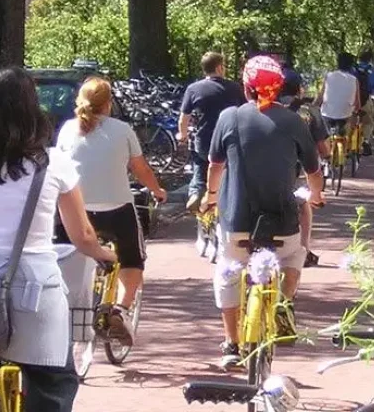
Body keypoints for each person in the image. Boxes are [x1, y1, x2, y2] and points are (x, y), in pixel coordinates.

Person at [0, 68, 117, 412]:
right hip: (34, 288)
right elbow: (81, 236)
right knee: (55, 380)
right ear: (31, 110)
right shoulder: (54, 163)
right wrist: (105, 255)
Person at [201, 55, 324, 368]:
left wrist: (211, 196)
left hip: (236, 221)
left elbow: (216, 166)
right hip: (281, 222)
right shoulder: (294, 121)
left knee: (228, 269)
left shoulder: (228, 118)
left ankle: (231, 343)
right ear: (279, 87)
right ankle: (284, 303)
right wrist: (317, 195)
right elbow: (313, 170)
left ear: (246, 87)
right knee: (294, 256)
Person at [56, 77, 167, 346]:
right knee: (132, 260)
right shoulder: (122, 130)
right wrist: (157, 190)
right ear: (108, 104)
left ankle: (63, 309)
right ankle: (121, 309)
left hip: (76, 211)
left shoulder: (67, 131)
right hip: (117, 210)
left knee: (64, 257)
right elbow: (141, 170)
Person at [178, 52, 246, 214]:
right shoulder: (234, 88)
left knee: (200, 166)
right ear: (219, 67)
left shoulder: (194, 89)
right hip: (229, 142)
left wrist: (182, 135)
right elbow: (245, 112)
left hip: (204, 141)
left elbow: (183, 118)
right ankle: (230, 201)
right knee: (230, 172)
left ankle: (196, 192)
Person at [279, 73, 330, 268]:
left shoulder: (262, 109)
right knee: (304, 204)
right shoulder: (309, 112)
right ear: (299, 89)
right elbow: (324, 150)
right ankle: (303, 250)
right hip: (295, 172)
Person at [318, 52, 361, 137]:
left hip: (326, 115)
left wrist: (311, 107)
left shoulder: (329, 76)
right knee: (345, 135)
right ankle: (347, 148)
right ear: (351, 65)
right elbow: (357, 104)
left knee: (323, 138)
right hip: (345, 116)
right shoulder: (354, 80)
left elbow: (320, 98)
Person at [355, 50, 374, 156]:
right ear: (370, 60)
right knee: (369, 122)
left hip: (352, 100)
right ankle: (366, 141)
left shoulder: (353, 68)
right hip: (365, 99)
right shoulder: (371, 70)